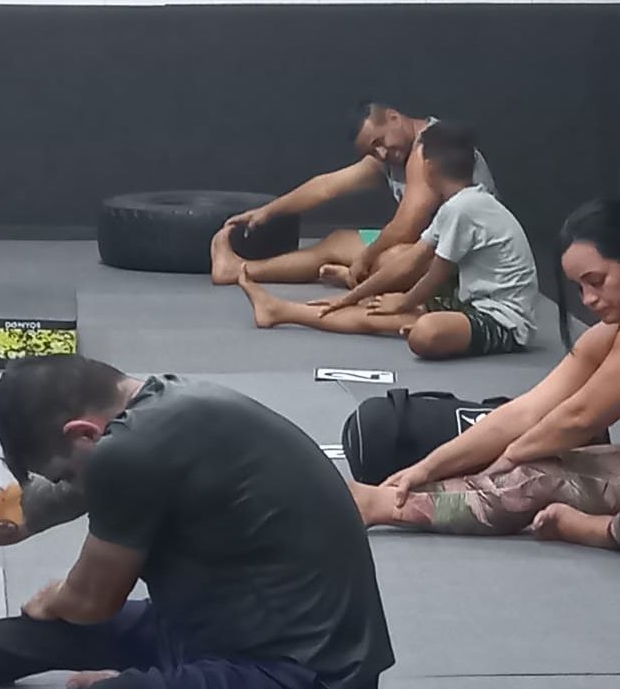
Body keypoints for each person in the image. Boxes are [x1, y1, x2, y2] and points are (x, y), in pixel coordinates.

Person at [0, 355, 394, 688]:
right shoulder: (148, 413)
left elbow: (91, 601)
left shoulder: (135, 449)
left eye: (64, 470)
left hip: (300, 672)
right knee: (39, 634)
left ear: (82, 433)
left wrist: (58, 600)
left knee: (76, 659)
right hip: (219, 625)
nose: (68, 485)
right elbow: (27, 507)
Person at [348, 198, 620, 550]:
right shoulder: (606, 335)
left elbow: (578, 417)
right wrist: (428, 467)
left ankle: (594, 529)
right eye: (580, 287)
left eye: (596, 281)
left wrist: (509, 458)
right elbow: (527, 411)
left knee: (533, 475)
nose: (588, 299)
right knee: (544, 453)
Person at [236, 122, 538, 360]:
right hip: (468, 301)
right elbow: (411, 261)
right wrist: (351, 297)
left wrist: (404, 302)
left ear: (428, 167)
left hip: (504, 322)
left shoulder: (464, 208)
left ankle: (283, 311)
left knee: (421, 331)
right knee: (379, 307)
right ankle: (279, 310)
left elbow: (436, 274)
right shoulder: (458, 205)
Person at [210, 101, 496, 288]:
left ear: (394, 117)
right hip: (431, 246)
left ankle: (358, 277)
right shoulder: (390, 155)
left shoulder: (428, 149)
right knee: (338, 241)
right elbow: (326, 187)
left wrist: (364, 259)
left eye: (380, 141)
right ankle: (239, 270)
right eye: (373, 150)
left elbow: (406, 228)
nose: (381, 153)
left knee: (389, 259)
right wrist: (268, 211)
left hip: (467, 261)